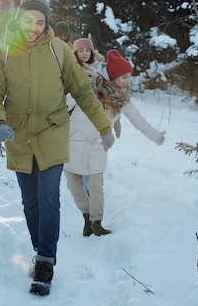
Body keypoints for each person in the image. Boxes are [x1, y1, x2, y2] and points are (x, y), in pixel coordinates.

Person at [0, 0, 115, 296]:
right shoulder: (2, 54)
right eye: (29, 21)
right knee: (30, 202)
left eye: (40, 22)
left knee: (48, 196)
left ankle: (45, 262)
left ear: (46, 23)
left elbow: (82, 91)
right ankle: (39, 248)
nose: (34, 28)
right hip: (18, 136)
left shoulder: (59, 50)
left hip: (53, 131)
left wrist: (103, 126)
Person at [64, 49, 166, 237]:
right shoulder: (88, 87)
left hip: (98, 144)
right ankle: (86, 216)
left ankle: (96, 222)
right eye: (124, 77)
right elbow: (64, 103)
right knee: (73, 186)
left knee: (96, 185)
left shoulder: (122, 100)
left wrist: (156, 136)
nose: (127, 81)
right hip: (72, 141)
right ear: (112, 75)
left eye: (128, 77)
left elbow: (138, 120)